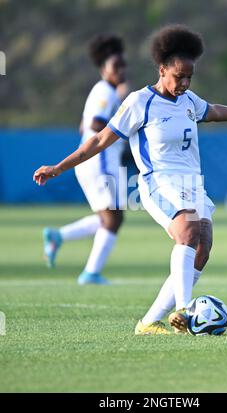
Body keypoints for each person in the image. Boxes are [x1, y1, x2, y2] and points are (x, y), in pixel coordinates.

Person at [34, 25, 227, 333]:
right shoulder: (138, 102)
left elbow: (212, 111)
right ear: (162, 69)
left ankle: (148, 322)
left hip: (191, 183)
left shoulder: (188, 101)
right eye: (178, 76)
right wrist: (58, 167)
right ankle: (185, 309)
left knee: (203, 246)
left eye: (189, 77)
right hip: (158, 182)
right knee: (187, 230)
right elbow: (98, 140)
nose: (184, 83)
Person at [43, 34, 127, 285]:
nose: (121, 70)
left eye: (123, 65)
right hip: (99, 161)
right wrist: (124, 130)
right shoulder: (105, 90)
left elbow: (83, 127)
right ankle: (91, 273)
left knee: (109, 217)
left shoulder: (103, 90)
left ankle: (59, 236)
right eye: (116, 66)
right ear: (103, 69)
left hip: (96, 161)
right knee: (113, 218)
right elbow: (94, 123)